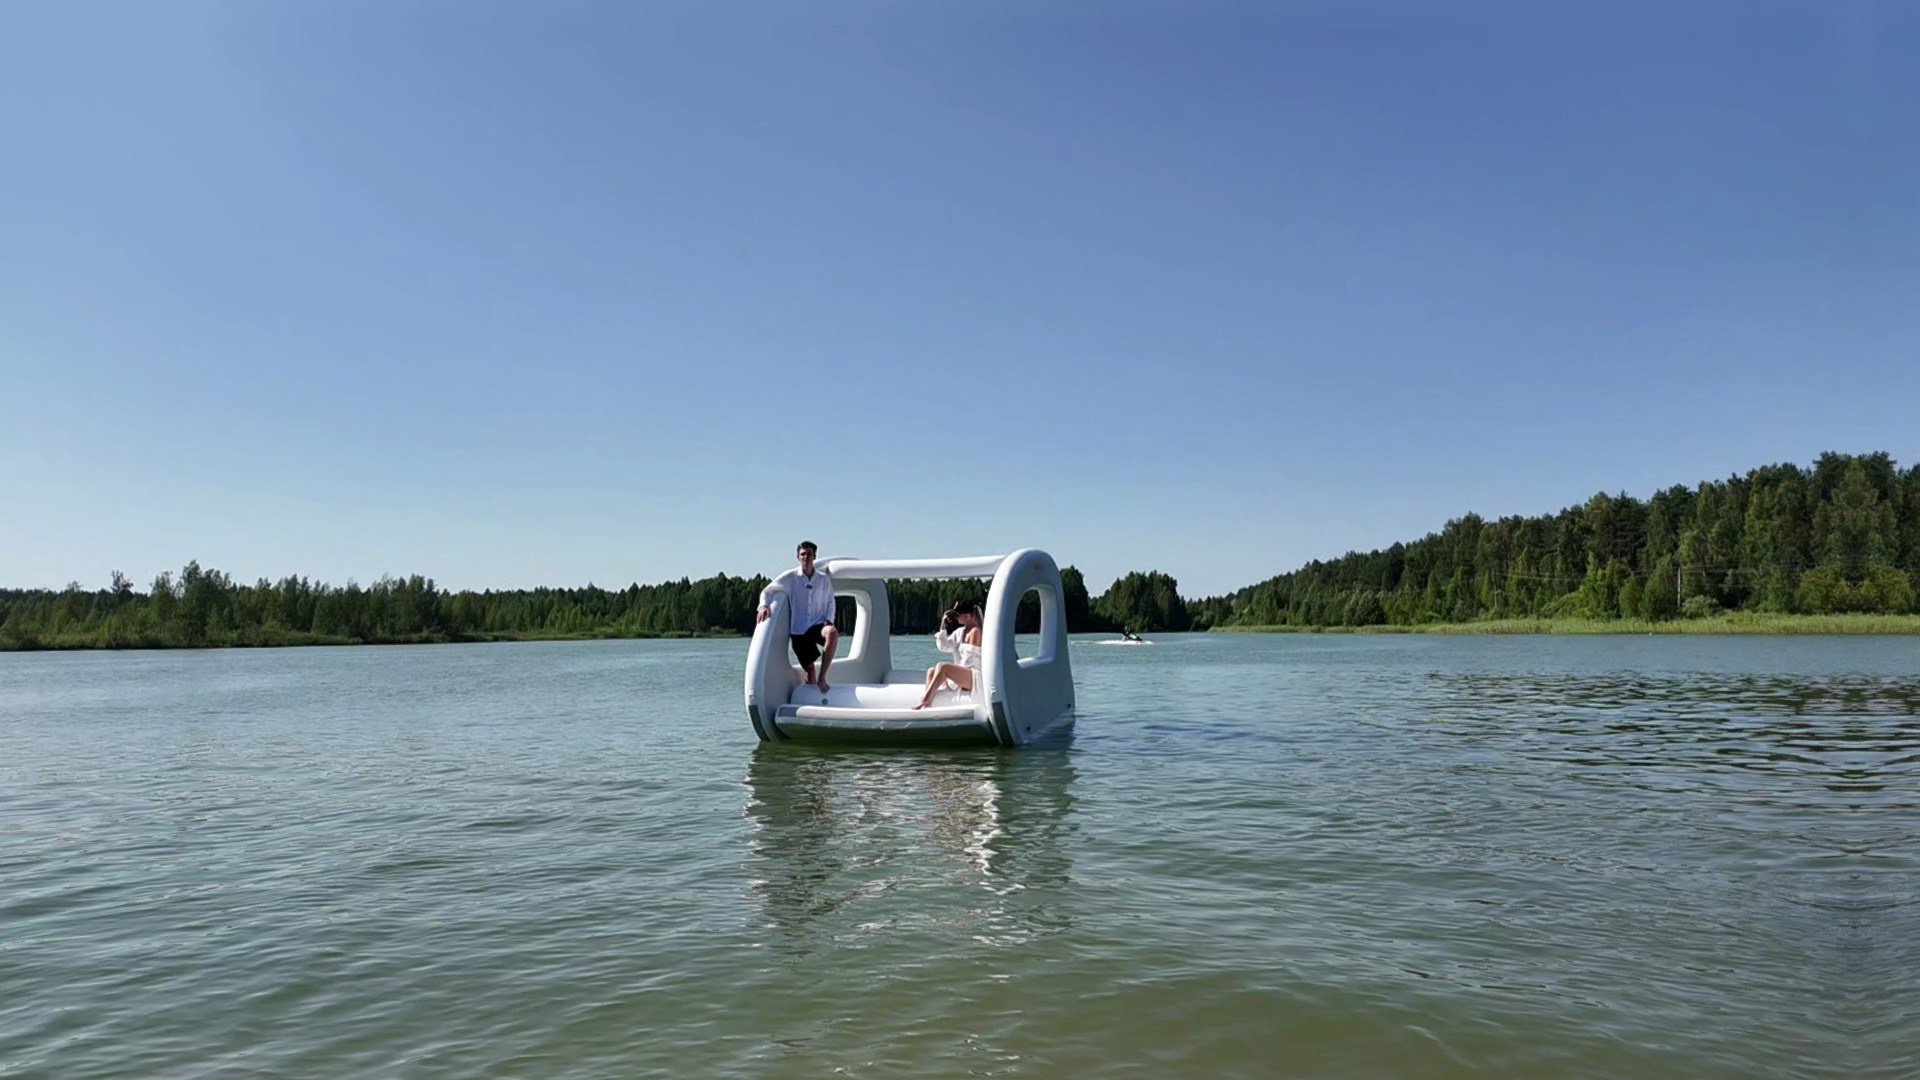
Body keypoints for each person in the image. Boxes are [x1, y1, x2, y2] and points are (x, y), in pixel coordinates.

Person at [755, 540, 839, 693]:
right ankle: (813, 698)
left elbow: (831, 602)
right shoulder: (790, 577)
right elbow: (767, 591)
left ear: (814, 556)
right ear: (798, 557)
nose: (806, 557)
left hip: (818, 625)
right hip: (799, 631)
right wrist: (763, 605)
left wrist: (829, 619)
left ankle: (823, 678)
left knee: (832, 632)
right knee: (809, 670)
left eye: (809, 554)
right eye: (803, 554)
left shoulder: (823, 579)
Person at [914, 598, 983, 709]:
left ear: (968, 615)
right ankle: (928, 705)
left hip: (974, 676)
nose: (956, 616)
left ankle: (924, 700)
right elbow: (943, 646)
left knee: (943, 667)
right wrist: (943, 625)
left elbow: (969, 662)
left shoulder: (976, 631)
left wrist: (952, 679)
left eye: (958, 614)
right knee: (931, 671)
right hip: (964, 672)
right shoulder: (960, 632)